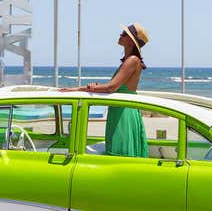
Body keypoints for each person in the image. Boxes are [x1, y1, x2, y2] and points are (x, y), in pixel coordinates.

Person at [62, 23, 150, 157]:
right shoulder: (129, 61)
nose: (120, 35)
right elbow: (114, 86)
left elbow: (111, 87)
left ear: (132, 41)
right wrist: (94, 87)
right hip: (119, 109)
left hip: (124, 112)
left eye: (124, 34)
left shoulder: (132, 60)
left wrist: (80, 88)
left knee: (121, 153)